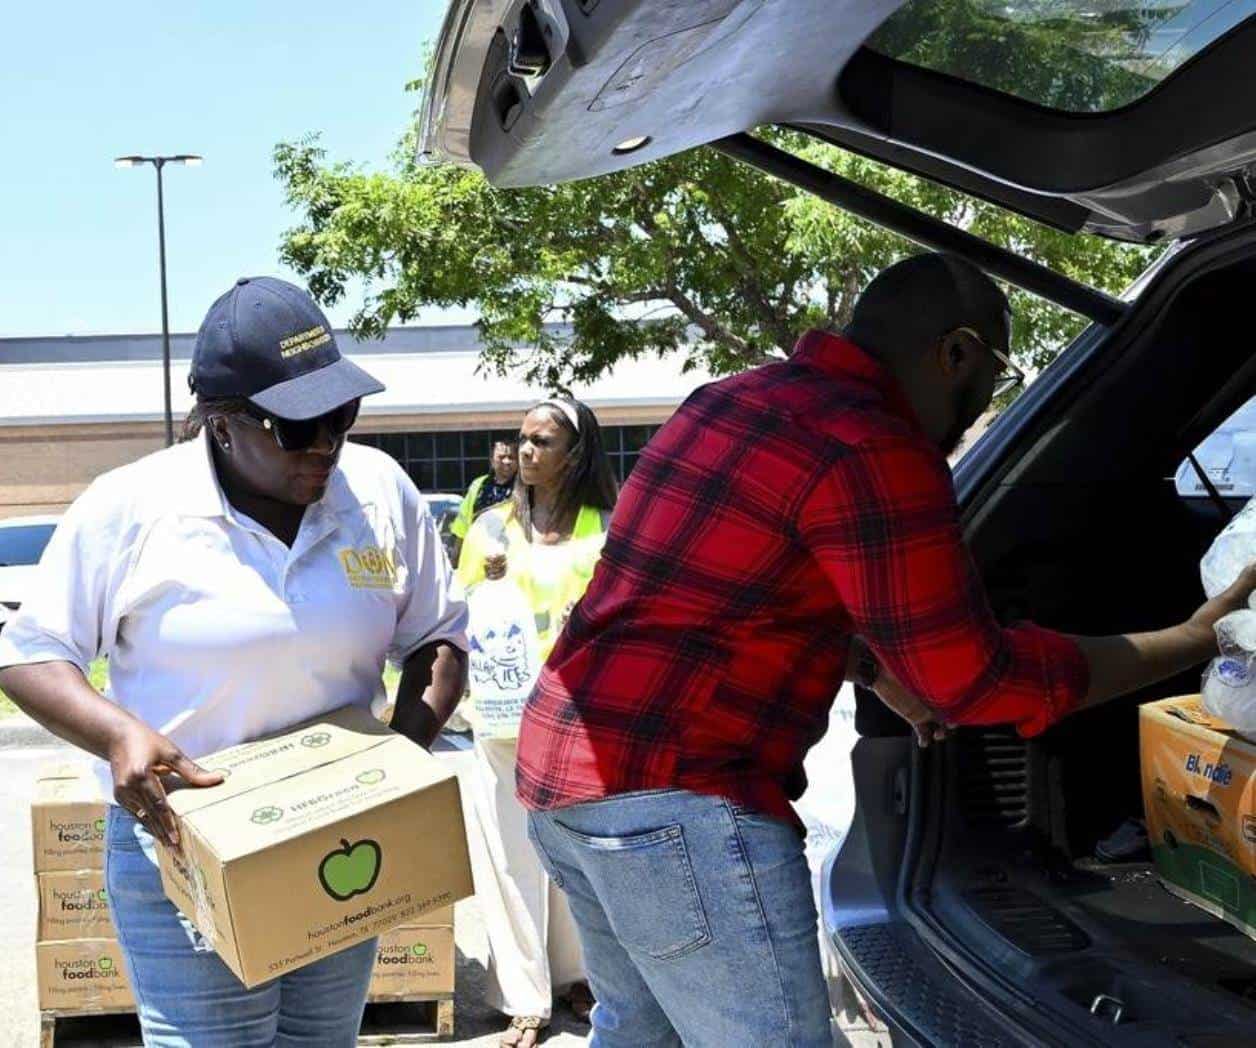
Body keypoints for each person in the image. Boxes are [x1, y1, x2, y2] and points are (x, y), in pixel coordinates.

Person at [515, 253, 1256, 1046]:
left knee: (639, 1034)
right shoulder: (874, 444)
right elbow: (976, 681)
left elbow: (717, 588)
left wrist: (869, 663)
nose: (979, 407)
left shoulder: (731, 399)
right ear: (957, 353)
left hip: (565, 781)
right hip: (676, 802)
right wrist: (1193, 636)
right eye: (993, 376)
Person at [0, 276, 468, 1048]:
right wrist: (120, 736)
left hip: (340, 836)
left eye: (341, 416)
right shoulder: (133, 507)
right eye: (296, 428)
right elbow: (28, 652)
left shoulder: (377, 492)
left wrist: (401, 757)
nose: (325, 444)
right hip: (186, 843)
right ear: (221, 424)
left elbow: (438, 636)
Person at [457, 398, 617, 1048]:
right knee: (509, 855)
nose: (526, 452)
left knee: (576, 860)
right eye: (522, 440)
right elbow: (458, 618)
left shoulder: (606, 529)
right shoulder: (489, 531)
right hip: (501, 723)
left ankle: (579, 976)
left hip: (581, 721)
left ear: (574, 454)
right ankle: (524, 997)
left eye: (543, 441)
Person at [451, 439, 519, 565]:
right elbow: (462, 526)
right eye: (501, 457)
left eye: (511, 457)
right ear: (492, 461)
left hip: (511, 557)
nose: (507, 461)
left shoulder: (525, 488)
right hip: (478, 559)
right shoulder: (478, 485)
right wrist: (455, 560)